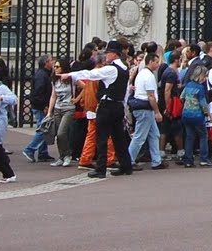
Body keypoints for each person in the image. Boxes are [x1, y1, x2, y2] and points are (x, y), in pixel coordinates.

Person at [62, 42, 134, 178]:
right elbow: (125, 91)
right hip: (118, 105)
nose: (106, 55)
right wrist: (123, 106)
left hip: (107, 106)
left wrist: (70, 74)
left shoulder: (111, 69)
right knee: (118, 138)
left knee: (101, 138)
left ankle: (101, 169)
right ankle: (126, 166)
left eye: (108, 53)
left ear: (114, 54)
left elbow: (90, 74)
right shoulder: (125, 68)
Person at [127, 50, 165, 169]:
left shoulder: (141, 73)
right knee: (140, 136)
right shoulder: (149, 76)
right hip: (145, 108)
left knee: (154, 134)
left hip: (142, 106)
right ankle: (129, 160)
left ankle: (156, 160)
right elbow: (151, 96)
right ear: (150, 62)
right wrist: (157, 112)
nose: (158, 64)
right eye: (156, 62)